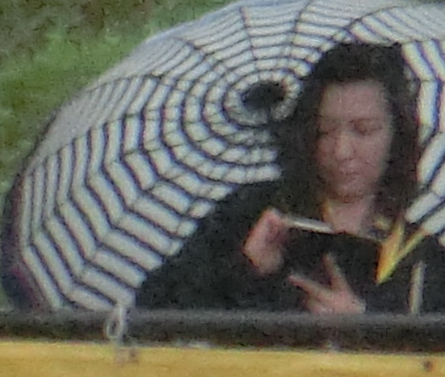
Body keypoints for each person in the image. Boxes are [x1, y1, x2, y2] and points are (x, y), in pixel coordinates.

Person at [133, 37, 440, 316]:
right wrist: (246, 268)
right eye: (325, 131)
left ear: (397, 136)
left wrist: (367, 326)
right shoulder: (250, 213)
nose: (342, 150)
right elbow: (154, 309)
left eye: (364, 130)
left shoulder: (423, 260)